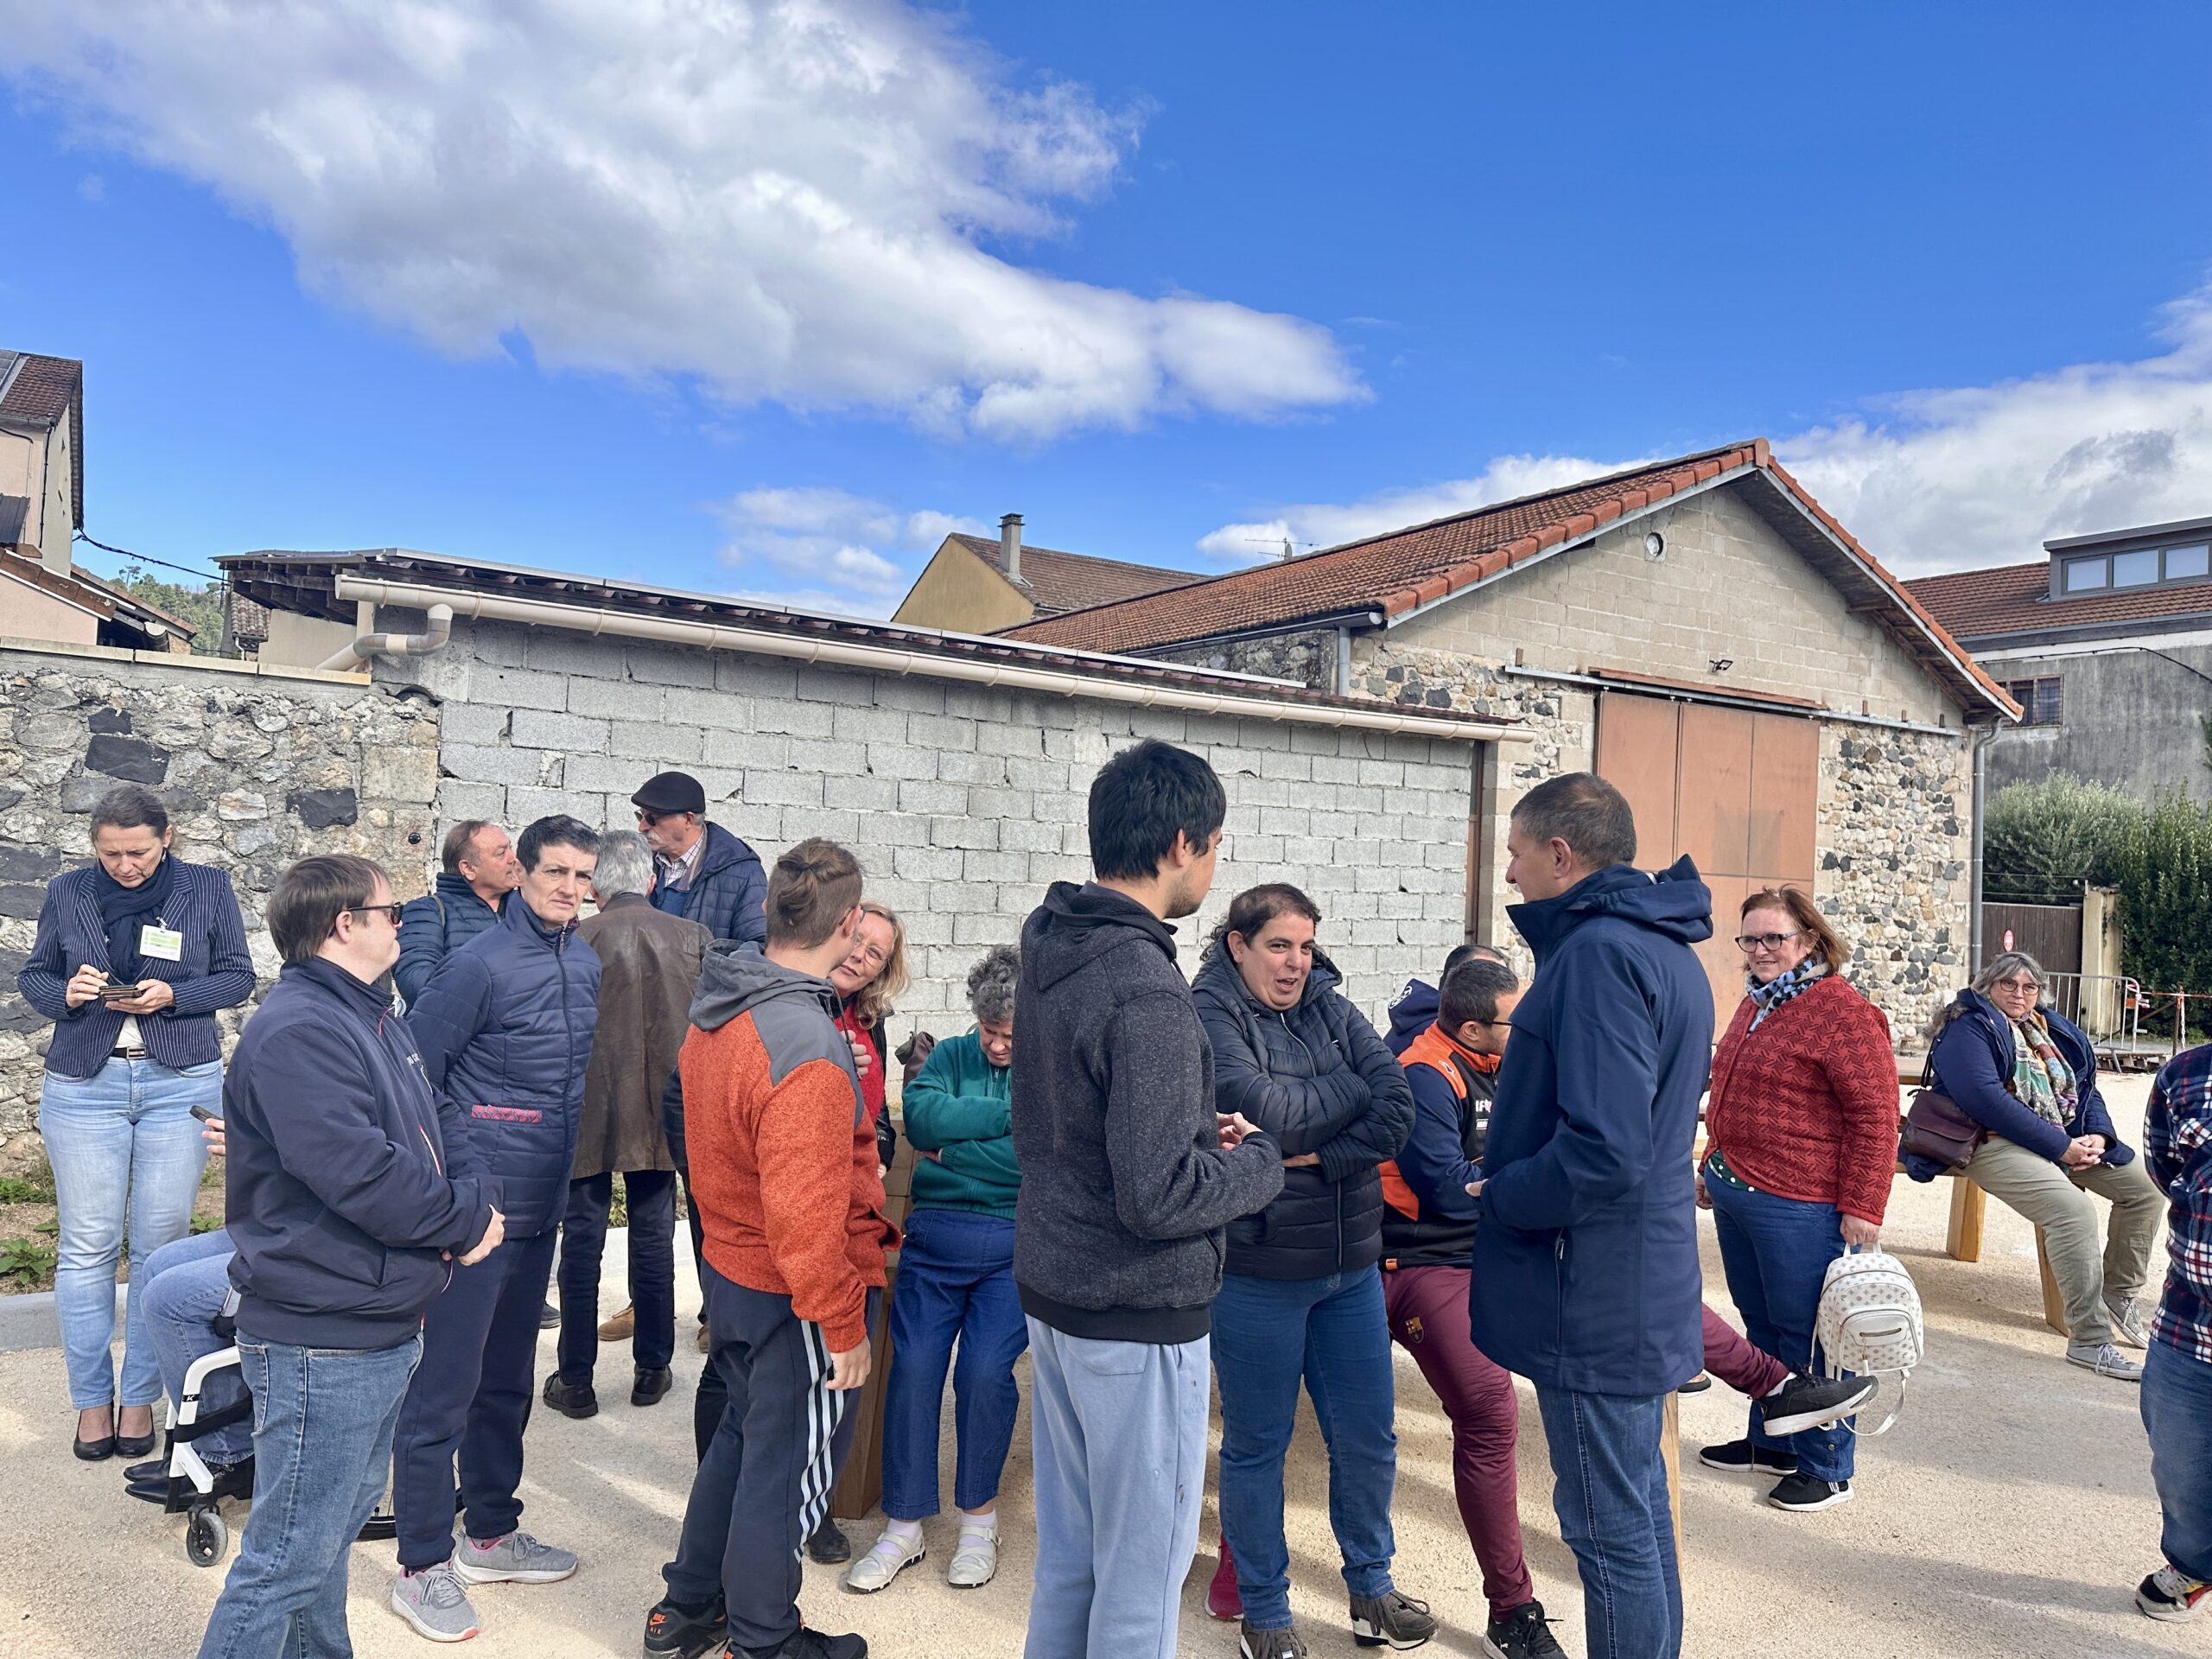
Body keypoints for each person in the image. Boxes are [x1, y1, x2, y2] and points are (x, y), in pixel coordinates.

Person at [1014, 739, 1285, 1659]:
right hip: (1134, 1313)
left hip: (1058, 1293)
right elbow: (1161, 1199)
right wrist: (1261, 1166)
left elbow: (1083, 1117)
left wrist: (1177, 1128)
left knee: (1074, 1560)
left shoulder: (1052, 941)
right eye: (1213, 846)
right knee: (1141, 1575)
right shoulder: (1146, 987)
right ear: (1180, 844)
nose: (1214, 866)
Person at [194, 854, 502, 1659]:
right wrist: (464, 1223)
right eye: (392, 912)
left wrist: (472, 1194)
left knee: (323, 1548)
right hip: (320, 1336)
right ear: (345, 925)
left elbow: (440, 1115)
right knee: (285, 1564)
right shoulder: (300, 1030)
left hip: (370, 1322)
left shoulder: (369, 1012)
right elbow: (366, 1177)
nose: (402, 924)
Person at [1468, 772, 1712, 1659]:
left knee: (1610, 1533)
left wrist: (1503, 1192)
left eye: (1518, 854)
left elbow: (1604, 1149)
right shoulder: (1658, 947)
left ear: (1561, 855)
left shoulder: (1602, 954)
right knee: (1638, 1511)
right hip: (1627, 1279)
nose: (1509, 872)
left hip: (1594, 1291)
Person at [644, 839, 892, 1659]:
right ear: (850, 924)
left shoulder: (723, 1005)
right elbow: (806, 1217)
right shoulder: (804, 1044)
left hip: (734, 1271)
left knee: (742, 1444)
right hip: (789, 1292)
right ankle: (764, 1639)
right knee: (780, 1472)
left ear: (769, 909)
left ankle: (687, 1609)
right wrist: (844, 1327)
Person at [1192, 883, 1427, 1659]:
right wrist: (1335, 1102)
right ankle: (1264, 1612)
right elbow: (1263, 1106)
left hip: (1351, 1268)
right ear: (1238, 944)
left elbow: (1396, 1104)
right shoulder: (1211, 1012)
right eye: (1278, 945)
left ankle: (1371, 1590)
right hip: (1259, 1270)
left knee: (1368, 1439)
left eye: (1304, 945)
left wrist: (1319, 1154)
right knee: (1257, 1445)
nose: (1295, 962)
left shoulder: (1327, 1000)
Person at [388, 816, 602, 1643]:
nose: (568, 887)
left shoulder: (582, 961)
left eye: (581, 875)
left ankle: (490, 1532)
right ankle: (420, 1565)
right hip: (480, 1207)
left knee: (509, 1377)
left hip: (545, 1197)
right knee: (446, 1384)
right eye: (554, 870)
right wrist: (464, 1171)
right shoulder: (477, 964)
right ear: (523, 873)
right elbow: (418, 1076)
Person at [16, 783, 254, 1462]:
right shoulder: (67, 891)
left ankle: (140, 1398)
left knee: (160, 1246)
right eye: (111, 853)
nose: (125, 866)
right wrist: (64, 992)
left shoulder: (207, 887)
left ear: (166, 837)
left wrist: (176, 993)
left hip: (176, 1080)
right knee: (86, 1247)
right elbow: (35, 976)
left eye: (138, 853)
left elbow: (237, 977)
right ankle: (91, 1402)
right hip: (83, 1082)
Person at [1377, 955, 1563, 1659]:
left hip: (1493, 1243)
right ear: (1478, 1027)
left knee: (1622, 1305)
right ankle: (1511, 1610)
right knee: (1490, 1406)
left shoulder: (1505, 1060)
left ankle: (1772, 1382)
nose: (1532, 1029)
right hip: (1422, 1261)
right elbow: (1448, 1192)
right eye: (1520, 1021)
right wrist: (1530, 1180)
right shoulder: (1424, 1074)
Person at [1696, 887, 1899, 1512]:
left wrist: (1864, 1207)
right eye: (1749, 939)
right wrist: (1714, 1160)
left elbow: (1876, 1116)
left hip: (1802, 1203)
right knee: (1760, 1326)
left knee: (1810, 1335)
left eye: (1773, 939)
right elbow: (1729, 1092)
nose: (1759, 950)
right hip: (1741, 1193)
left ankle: (1828, 1466)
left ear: (1809, 940)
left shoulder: (1844, 1012)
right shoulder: (1758, 1004)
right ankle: (1775, 1440)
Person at [844, 944, 1025, 1596]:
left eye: (1011, 1035)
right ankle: (905, 1524)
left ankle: (979, 1520)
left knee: (983, 1373)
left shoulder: (1052, 1069)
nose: (1000, 1046)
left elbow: (1038, 1161)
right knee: (915, 1370)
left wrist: (955, 1152)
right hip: (935, 1240)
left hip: (1013, 1246)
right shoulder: (947, 1055)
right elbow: (920, 1121)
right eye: (991, 1032)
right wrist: (1007, 1123)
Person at [1920, 950, 2165, 1382]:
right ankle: (2089, 1341)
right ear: (1987, 986)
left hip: (2060, 1137)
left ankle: (2118, 1293)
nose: (2019, 993)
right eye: (2008, 984)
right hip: (1989, 1142)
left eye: (2029, 986)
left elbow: (2086, 1089)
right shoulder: (1967, 1027)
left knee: (2145, 1189)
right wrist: (2061, 1147)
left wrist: (2099, 1137)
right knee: (2073, 1212)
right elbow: (1986, 1101)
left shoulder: (2051, 1030)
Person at [544, 830, 708, 1421]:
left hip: (587, 1104)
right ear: (649, 880)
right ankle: (652, 1368)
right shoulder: (692, 938)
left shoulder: (571, 940)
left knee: (582, 1240)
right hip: (667, 1107)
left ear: (594, 885)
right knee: (653, 1235)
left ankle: (576, 1378)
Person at [2135, 1039, 2212, 1622]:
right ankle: (2194, 1562)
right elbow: (2167, 1169)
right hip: (2191, 1325)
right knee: (2181, 1465)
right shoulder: (2185, 1074)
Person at [633, 770, 768, 945]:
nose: (642, 827)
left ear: (688, 820)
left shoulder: (743, 873)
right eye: (640, 816)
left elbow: (756, 948)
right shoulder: (639, 861)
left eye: (652, 818)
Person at [395, 819, 519, 1007]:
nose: (514, 859)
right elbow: (416, 982)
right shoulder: (428, 911)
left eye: (510, 848)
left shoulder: (527, 910)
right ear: (468, 869)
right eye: (501, 853)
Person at [1383, 941, 1509, 1057]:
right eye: (1490, 980)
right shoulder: (1443, 1031)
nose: (1505, 989)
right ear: (1458, 978)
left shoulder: (1422, 1015)